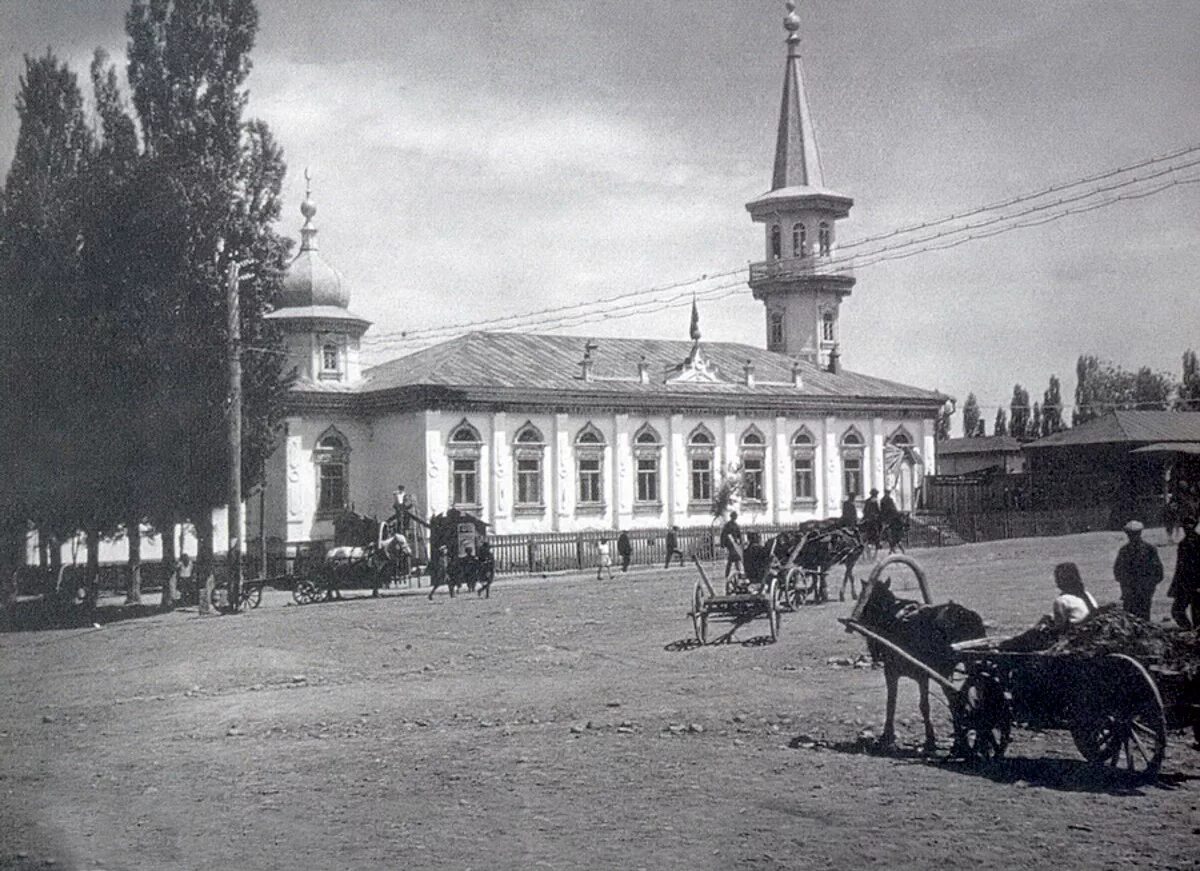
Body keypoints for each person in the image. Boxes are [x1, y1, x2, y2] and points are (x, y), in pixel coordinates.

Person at [1113, 519, 1163, 620]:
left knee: (1144, 618)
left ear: (1140, 533)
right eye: (1130, 534)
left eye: (1135, 534)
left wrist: (1150, 586)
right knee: (1130, 619)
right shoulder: (1124, 551)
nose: (1132, 537)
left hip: (1145, 591)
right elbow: (1118, 571)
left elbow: (1158, 571)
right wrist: (1126, 584)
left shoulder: (1149, 549)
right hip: (1129, 592)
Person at [1169, 518, 1200, 629]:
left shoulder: (1196, 542)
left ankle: (1194, 635)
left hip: (1195, 584)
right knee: (1177, 610)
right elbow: (1179, 567)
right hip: (1184, 583)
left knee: (1196, 613)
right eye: (1185, 526)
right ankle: (1189, 630)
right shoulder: (1183, 543)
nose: (1187, 528)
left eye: (1190, 525)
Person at [1050, 562, 1097, 627]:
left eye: (1056, 578)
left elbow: (1059, 626)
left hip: (1078, 632)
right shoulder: (1086, 594)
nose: (1056, 581)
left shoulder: (1062, 600)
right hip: (1092, 626)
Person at [720, 511, 744, 579]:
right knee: (732, 559)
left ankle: (737, 573)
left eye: (736, 516)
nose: (735, 517)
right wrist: (723, 543)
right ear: (732, 517)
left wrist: (740, 542)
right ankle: (728, 574)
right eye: (734, 516)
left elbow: (739, 534)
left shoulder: (736, 525)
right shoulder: (728, 525)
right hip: (730, 544)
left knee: (735, 559)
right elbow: (723, 534)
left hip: (735, 544)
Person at [880, 489, 903, 554]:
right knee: (894, 533)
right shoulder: (890, 500)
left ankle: (892, 548)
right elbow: (893, 509)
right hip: (891, 519)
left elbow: (882, 510)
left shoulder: (882, 500)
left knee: (889, 534)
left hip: (885, 519)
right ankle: (893, 547)